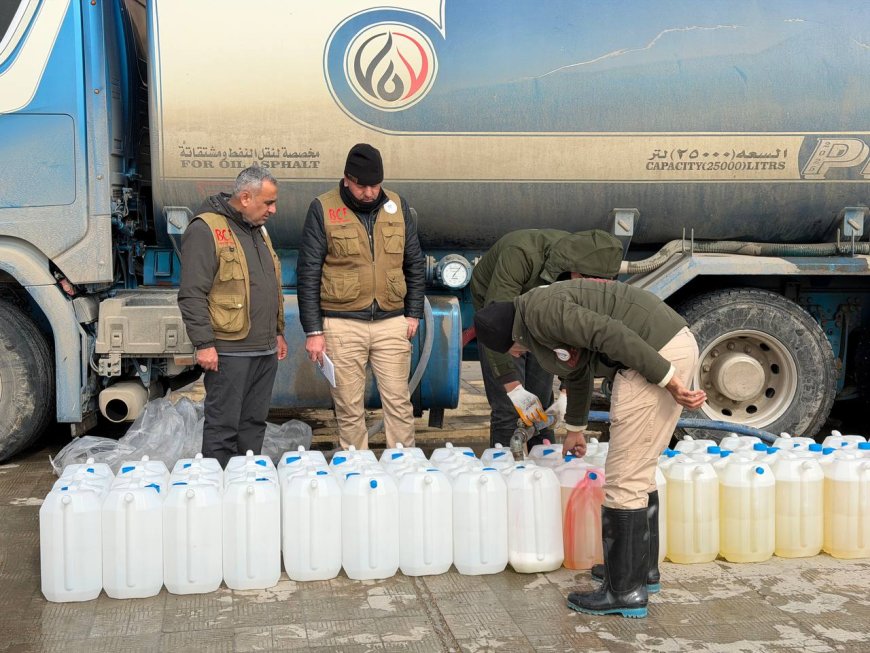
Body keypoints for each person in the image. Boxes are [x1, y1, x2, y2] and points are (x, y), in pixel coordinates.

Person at [473, 279, 706, 619]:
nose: (519, 355)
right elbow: (579, 371)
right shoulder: (538, 313)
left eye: (513, 351)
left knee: (624, 479)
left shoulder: (542, 313)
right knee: (639, 470)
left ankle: (624, 592)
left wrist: (667, 379)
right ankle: (639, 571)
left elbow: (608, 333)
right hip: (667, 345)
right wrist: (575, 430)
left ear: (511, 338)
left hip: (656, 355)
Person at [296, 143, 425, 450]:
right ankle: (356, 469)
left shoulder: (398, 205)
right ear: (346, 179)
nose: (369, 193)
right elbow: (308, 271)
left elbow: (414, 261)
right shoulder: (323, 208)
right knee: (349, 408)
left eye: (375, 185)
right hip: (341, 326)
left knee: (399, 404)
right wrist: (314, 331)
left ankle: (403, 466)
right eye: (361, 186)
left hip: (392, 322)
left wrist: (414, 312)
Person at [469, 229, 624, 449]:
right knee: (509, 408)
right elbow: (494, 322)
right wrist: (514, 388)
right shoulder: (520, 253)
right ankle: (505, 471)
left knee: (540, 405)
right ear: (575, 270)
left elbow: (579, 334)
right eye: (584, 282)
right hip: (502, 317)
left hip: (543, 321)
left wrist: (566, 392)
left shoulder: (585, 279)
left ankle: (543, 467)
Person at [178, 166, 287, 468]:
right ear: (246, 197)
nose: (273, 210)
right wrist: (204, 343)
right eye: (268, 203)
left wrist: (278, 332)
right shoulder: (206, 229)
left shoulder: (258, 230)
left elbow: (268, 283)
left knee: (254, 425)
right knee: (223, 427)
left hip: (263, 349)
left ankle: (247, 485)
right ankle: (221, 494)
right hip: (229, 350)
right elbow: (192, 294)